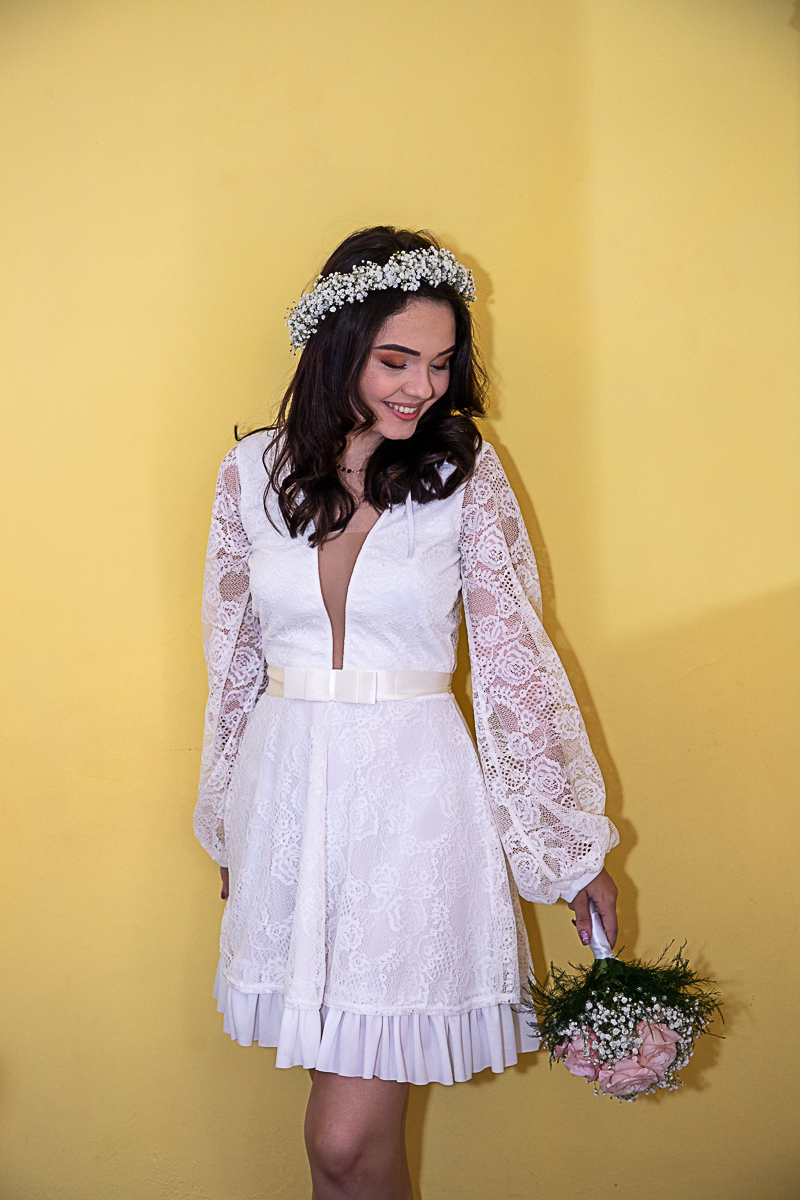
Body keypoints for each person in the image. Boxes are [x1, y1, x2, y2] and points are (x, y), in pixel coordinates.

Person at [194, 226, 619, 1200]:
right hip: (289, 806)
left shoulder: (461, 474)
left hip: (414, 810)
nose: (421, 387)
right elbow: (233, 666)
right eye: (396, 360)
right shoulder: (248, 475)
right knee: (339, 1152)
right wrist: (229, 824)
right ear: (337, 345)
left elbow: (514, 662)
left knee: (346, 1142)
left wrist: (566, 849)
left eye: (438, 363)